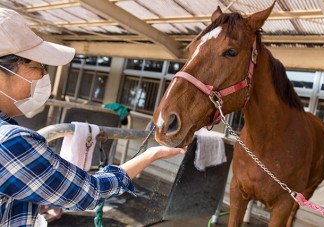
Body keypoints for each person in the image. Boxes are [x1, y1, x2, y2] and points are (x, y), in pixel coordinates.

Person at [0, 8, 185, 227]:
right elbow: (92, 191)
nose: (43, 76)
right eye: (38, 65)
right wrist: (150, 156)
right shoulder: (10, 142)